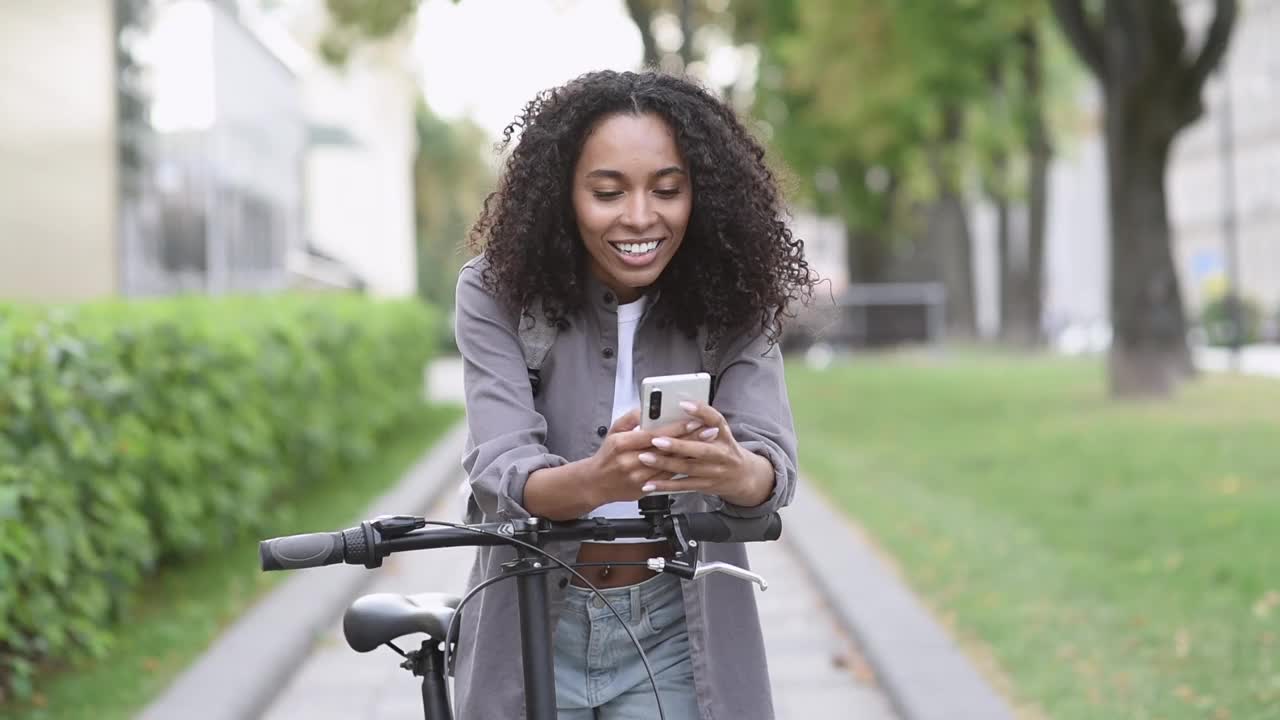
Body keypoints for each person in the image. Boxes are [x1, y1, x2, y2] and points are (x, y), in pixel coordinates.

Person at [452, 69, 816, 720]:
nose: (641, 217)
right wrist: (597, 480)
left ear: (700, 195)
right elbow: (503, 473)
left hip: (675, 623)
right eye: (608, 192)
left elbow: (771, 468)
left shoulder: (734, 296)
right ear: (564, 196)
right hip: (536, 615)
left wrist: (736, 472)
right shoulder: (494, 291)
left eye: (668, 190)